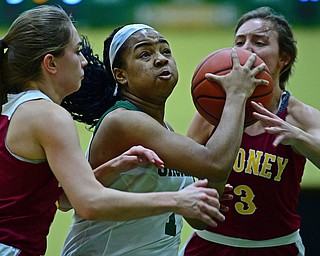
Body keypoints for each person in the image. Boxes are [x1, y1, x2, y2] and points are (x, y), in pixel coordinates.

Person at [0, 5, 235, 256]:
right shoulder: (48, 115)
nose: (85, 61)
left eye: (166, 50)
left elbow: (61, 199)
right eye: (77, 51)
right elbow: (89, 203)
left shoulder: (15, 106)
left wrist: (113, 168)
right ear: (51, 63)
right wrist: (179, 200)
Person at [60, 22, 268, 255]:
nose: (160, 59)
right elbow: (214, 163)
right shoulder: (123, 121)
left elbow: (201, 220)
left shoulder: (165, 131)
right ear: (121, 75)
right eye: (145, 54)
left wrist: (213, 188)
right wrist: (236, 95)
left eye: (165, 50)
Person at [179, 6, 320, 256]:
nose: (246, 49)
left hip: (277, 246)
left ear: (283, 58)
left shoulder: (300, 115)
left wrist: (298, 137)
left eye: (259, 42)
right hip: (211, 242)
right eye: (240, 42)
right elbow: (183, 167)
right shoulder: (213, 111)